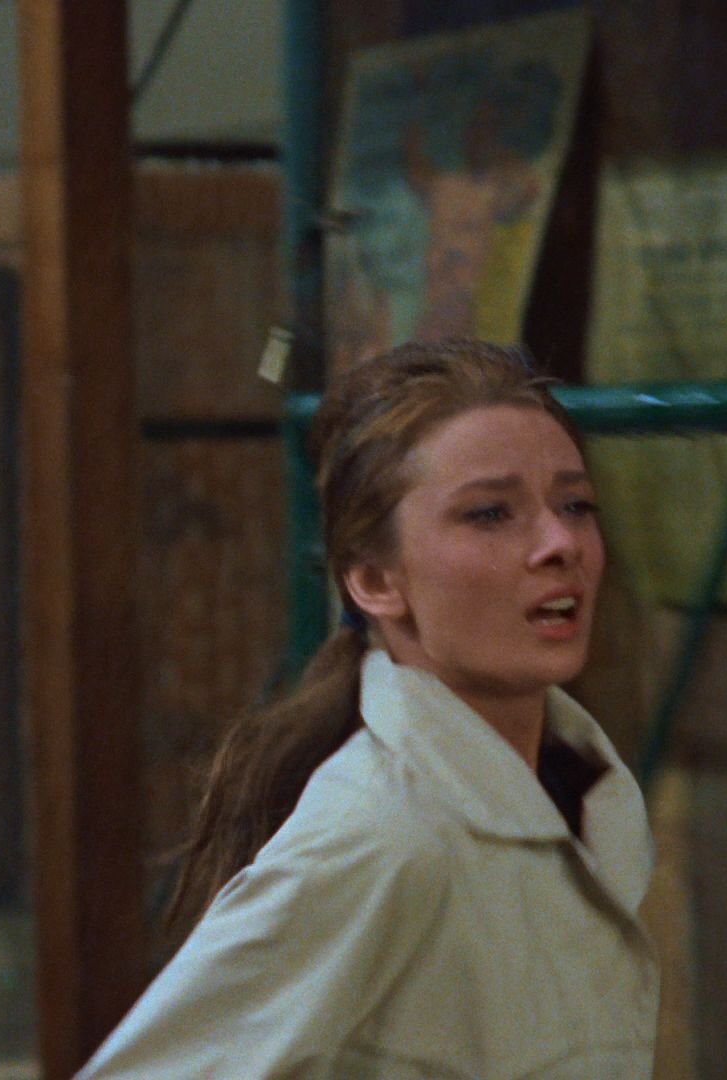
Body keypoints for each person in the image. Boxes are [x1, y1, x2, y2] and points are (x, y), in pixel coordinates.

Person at [80, 339, 659, 1078]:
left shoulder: (589, 792)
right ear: (376, 581)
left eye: (575, 505)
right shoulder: (384, 835)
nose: (560, 543)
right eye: (490, 514)